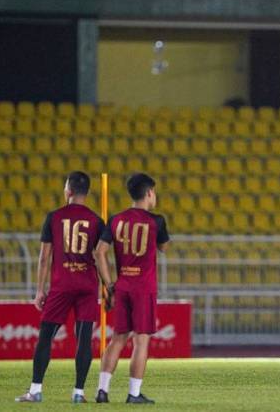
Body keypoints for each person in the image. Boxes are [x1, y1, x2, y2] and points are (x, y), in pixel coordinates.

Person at [15, 172, 104, 403]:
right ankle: (79, 393)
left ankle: (35, 390)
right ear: (88, 192)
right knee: (84, 339)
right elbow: (101, 255)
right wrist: (107, 285)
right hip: (87, 284)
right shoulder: (96, 220)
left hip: (62, 284)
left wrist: (39, 290)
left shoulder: (54, 217)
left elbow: (45, 257)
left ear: (69, 191)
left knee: (46, 337)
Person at [94, 173, 170, 404]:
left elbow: (99, 252)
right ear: (149, 193)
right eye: (153, 192)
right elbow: (164, 247)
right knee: (141, 341)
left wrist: (108, 284)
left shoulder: (116, 219)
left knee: (117, 338)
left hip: (122, 285)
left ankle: (102, 391)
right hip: (143, 287)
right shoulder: (157, 221)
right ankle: (133, 394)